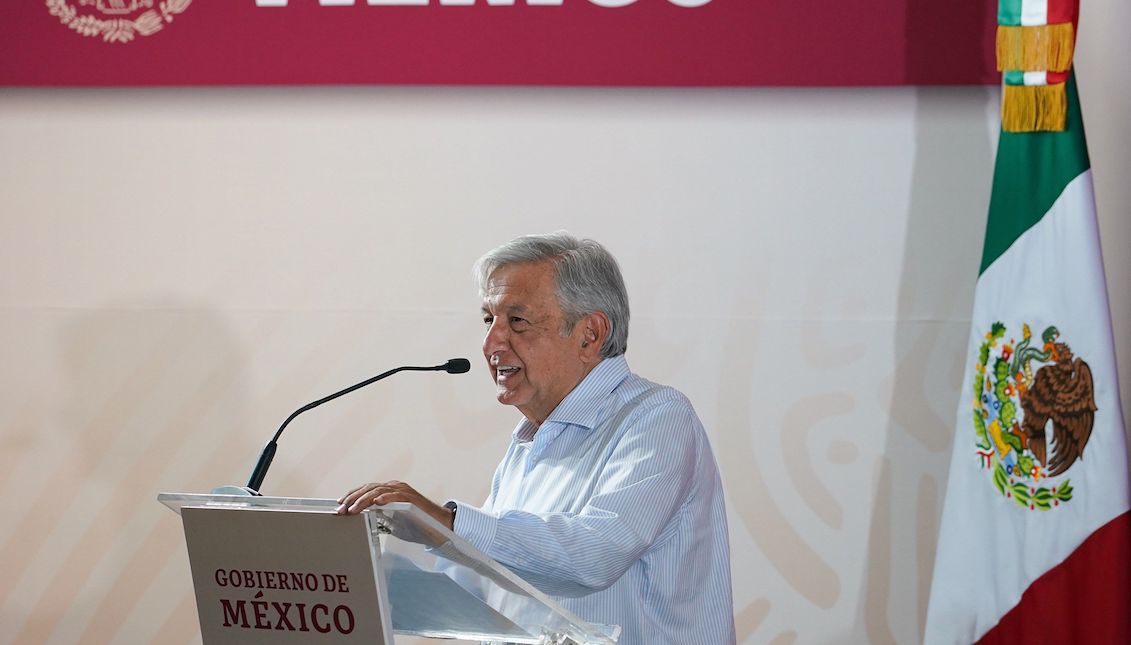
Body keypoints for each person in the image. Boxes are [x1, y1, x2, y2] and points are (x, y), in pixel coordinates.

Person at [338, 232, 736, 644]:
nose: (491, 343)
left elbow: (595, 555)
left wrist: (445, 522)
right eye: (488, 319)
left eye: (517, 321)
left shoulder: (656, 417)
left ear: (590, 334)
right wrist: (338, 576)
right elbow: (478, 586)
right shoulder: (530, 439)